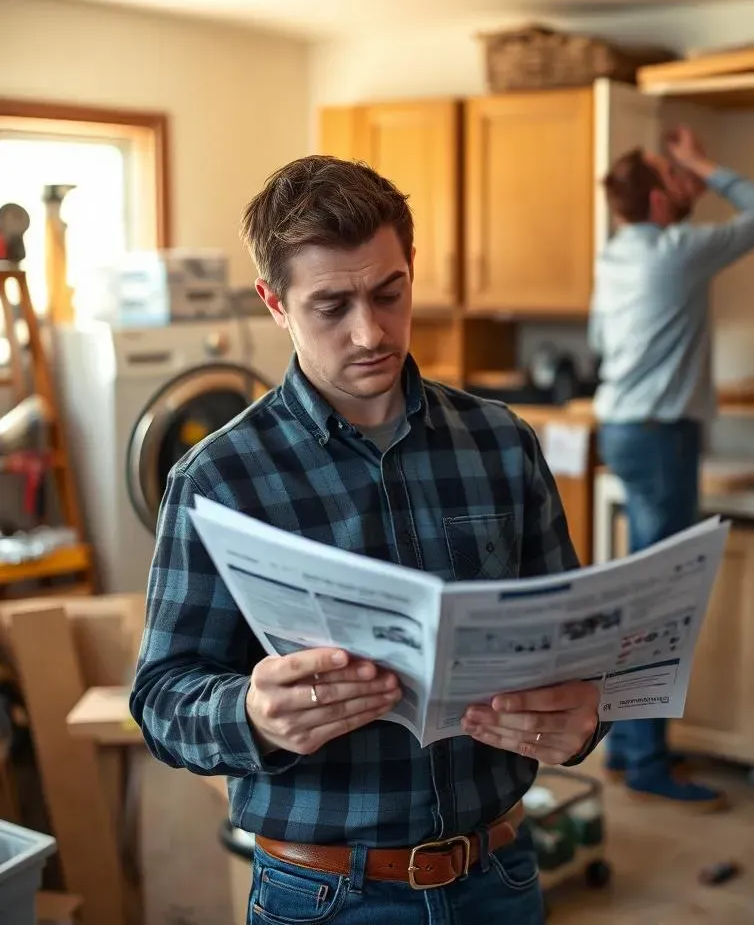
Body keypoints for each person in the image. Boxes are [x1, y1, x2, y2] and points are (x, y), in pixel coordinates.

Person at [129, 156, 606, 925]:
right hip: (322, 894)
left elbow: (578, 649)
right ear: (274, 305)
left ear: (412, 269)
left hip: (501, 874)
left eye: (390, 293)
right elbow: (159, 700)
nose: (371, 332)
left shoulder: (500, 443)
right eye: (331, 305)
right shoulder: (217, 479)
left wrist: (586, 716)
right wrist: (249, 712)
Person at [588, 128, 754, 807]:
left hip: (621, 427)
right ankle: (646, 759)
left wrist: (682, 180)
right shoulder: (676, 252)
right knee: (660, 602)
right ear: (655, 199)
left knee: (642, 594)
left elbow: (597, 339)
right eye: (671, 175)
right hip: (662, 436)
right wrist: (708, 162)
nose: (684, 180)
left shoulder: (615, 255)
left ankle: (624, 744)